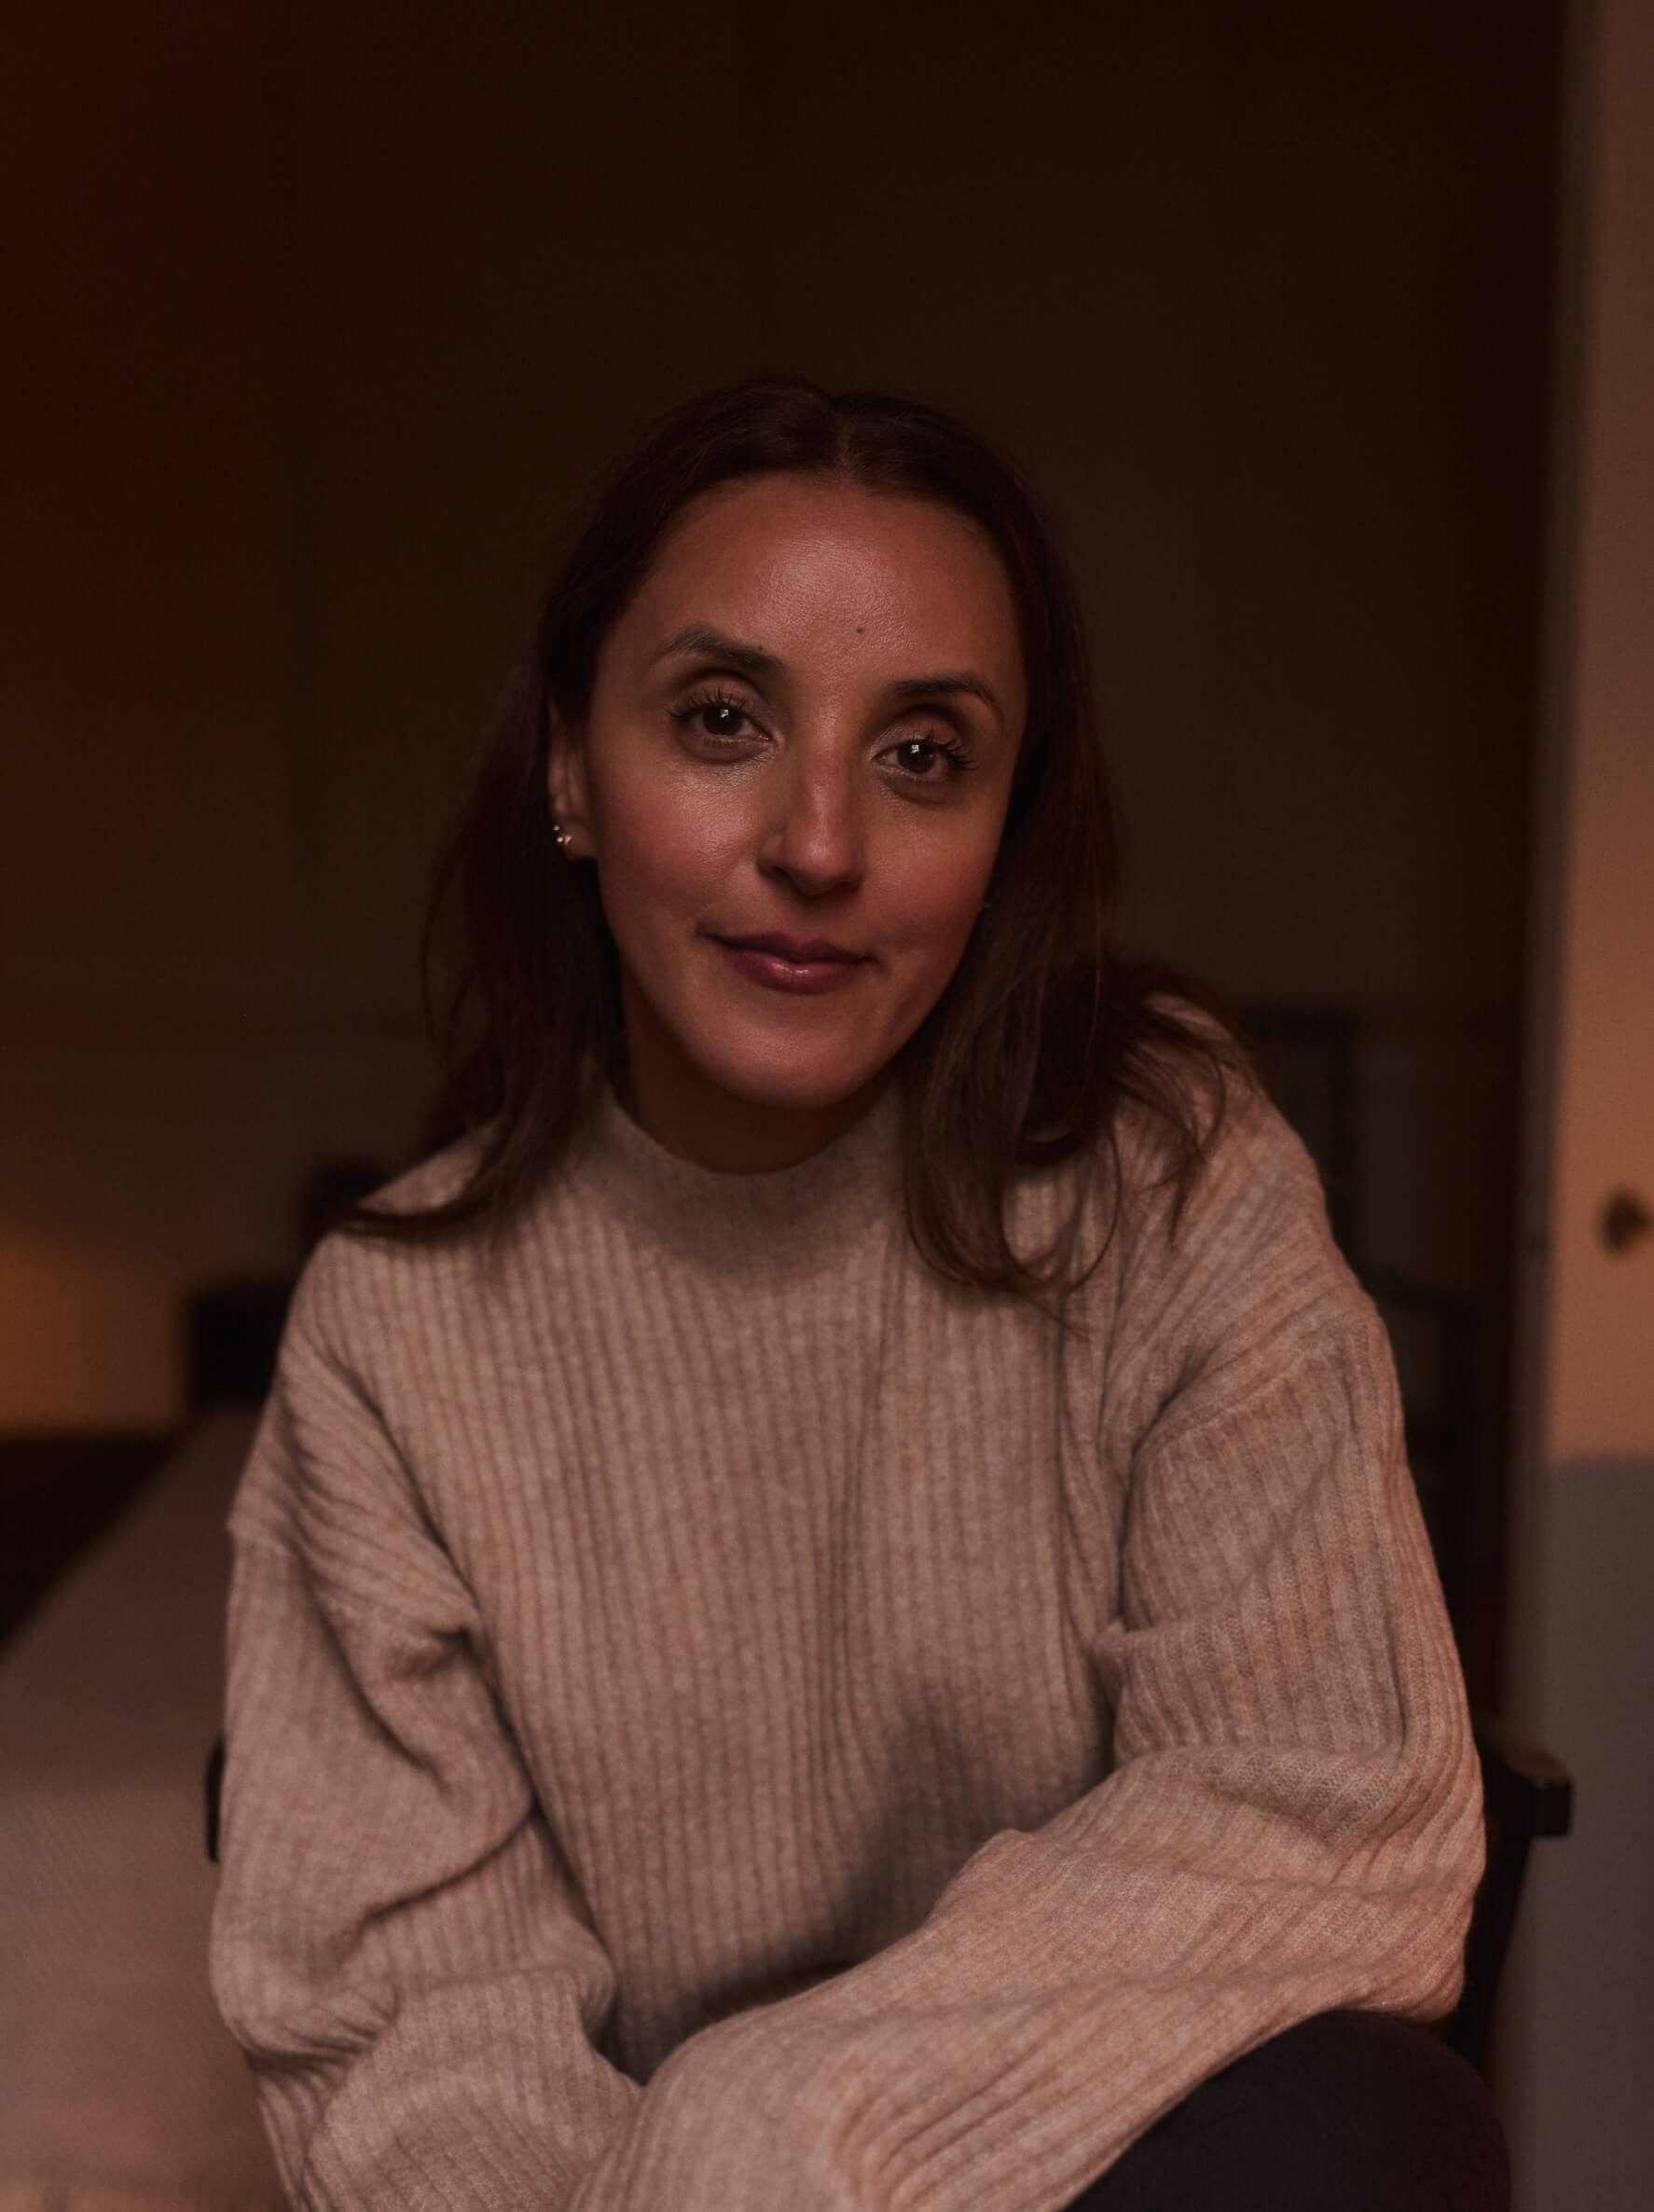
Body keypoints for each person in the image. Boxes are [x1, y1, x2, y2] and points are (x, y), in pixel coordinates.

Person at [208, 379, 1508, 2211]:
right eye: (721, 718)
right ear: (573, 768)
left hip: (1068, 2143)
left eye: (921, 754)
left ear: (1002, 826)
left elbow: (1327, 1805)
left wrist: (792, 2123)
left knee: (1374, 2118)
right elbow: (411, 2029)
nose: (817, 842)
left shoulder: (1165, 1177)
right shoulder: (397, 1330)